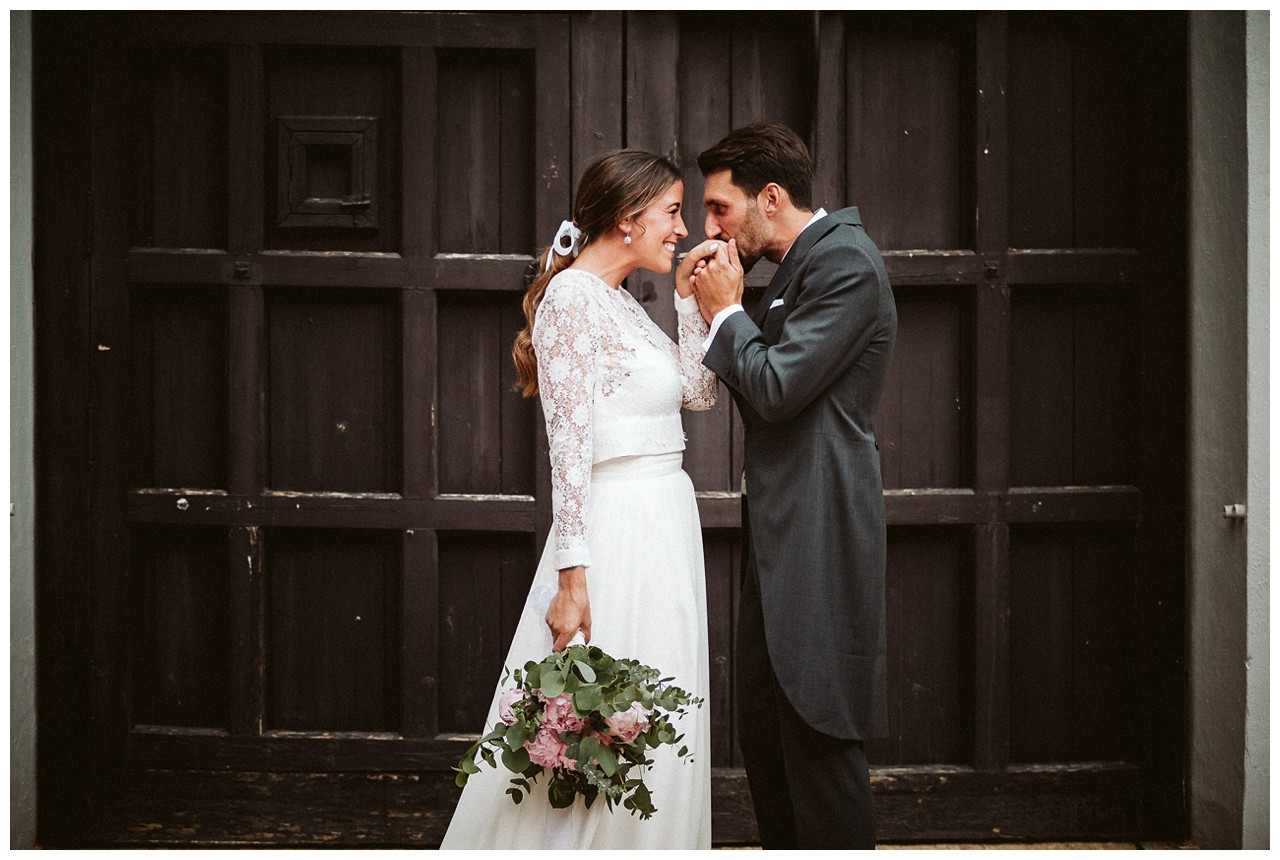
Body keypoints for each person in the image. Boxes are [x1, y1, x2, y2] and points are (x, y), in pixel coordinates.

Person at [440, 149, 716, 850]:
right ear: (627, 219)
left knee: (659, 710)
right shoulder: (569, 301)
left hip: (664, 523)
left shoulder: (619, 301)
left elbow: (699, 393)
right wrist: (571, 576)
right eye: (672, 212)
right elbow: (567, 447)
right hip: (617, 527)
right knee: (601, 715)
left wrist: (687, 301)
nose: (682, 229)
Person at [678, 122, 897, 849]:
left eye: (719, 208)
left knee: (820, 738)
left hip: (822, 532)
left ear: (770, 197)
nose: (708, 226)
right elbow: (769, 396)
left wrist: (727, 313)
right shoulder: (797, 270)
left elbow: (772, 390)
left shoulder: (846, 265)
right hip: (777, 538)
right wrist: (718, 317)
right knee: (770, 744)